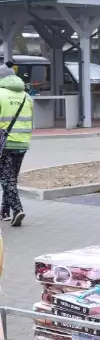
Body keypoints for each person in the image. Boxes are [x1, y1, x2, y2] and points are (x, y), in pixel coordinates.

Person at [0, 62, 32, 227]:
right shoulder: (27, 96)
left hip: (4, 143)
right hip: (22, 143)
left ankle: (17, 209)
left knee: (5, 178)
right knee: (11, 177)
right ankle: (4, 211)